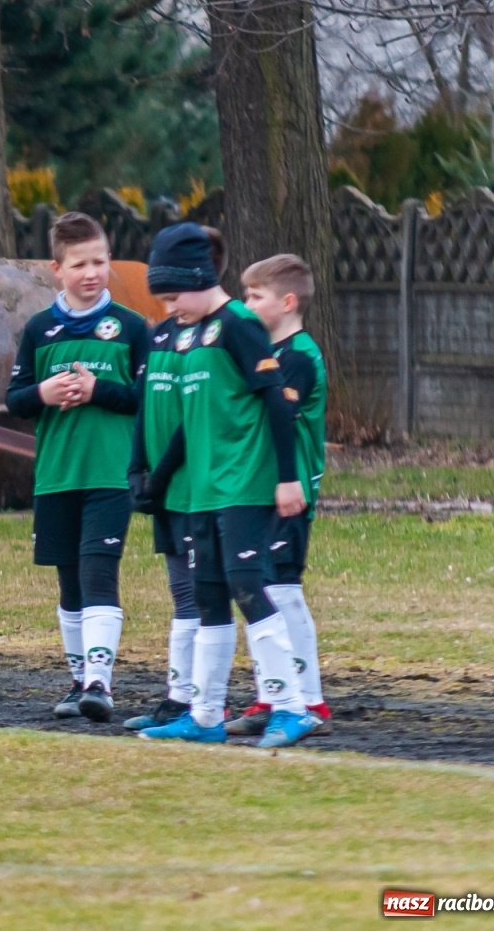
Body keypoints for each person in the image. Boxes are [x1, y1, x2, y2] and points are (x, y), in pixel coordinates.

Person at [134, 223, 314, 749]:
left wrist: (286, 478)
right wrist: (158, 477)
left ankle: (292, 705)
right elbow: (195, 420)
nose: (170, 307)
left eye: (173, 295)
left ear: (197, 278)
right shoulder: (188, 334)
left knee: (244, 583)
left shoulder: (237, 325)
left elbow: (276, 402)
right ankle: (205, 714)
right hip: (202, 489)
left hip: (245, 483)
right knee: (210, 597)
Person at [6, 213, 149, 723]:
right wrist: (43, 392)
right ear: (56, 269)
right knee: (69, 585)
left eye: (100, 261)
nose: (92, 273)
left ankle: (99, 684)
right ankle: (76, 681)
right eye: (80, 264)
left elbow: (146, 399)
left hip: (110, 475)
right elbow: (14, 400)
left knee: (98, 574)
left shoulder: (132, 328)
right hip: (57, 476)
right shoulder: (40, 329)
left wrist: (98, 391)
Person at [122, 228, 228, 732]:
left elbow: (194, 416)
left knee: (197, 595)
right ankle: (176, 696)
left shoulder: (211, 336)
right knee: (179, 594)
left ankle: (200, 701)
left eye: (172, 295)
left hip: (190, 486)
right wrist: (136, 467)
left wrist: (161, 474)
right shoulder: (163, 335)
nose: (168, 306)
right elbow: (147, 406)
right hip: (162, 489)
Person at [224, 253, 333, 736]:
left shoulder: (300, 357)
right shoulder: (267, 354)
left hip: (290, 491)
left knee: (283, 592)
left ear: (287, 302)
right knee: (261, 588)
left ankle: (310, 701)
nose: (246, 304)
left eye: (255, 296)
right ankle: (273, 694)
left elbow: (278, 416)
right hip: (258, 487)